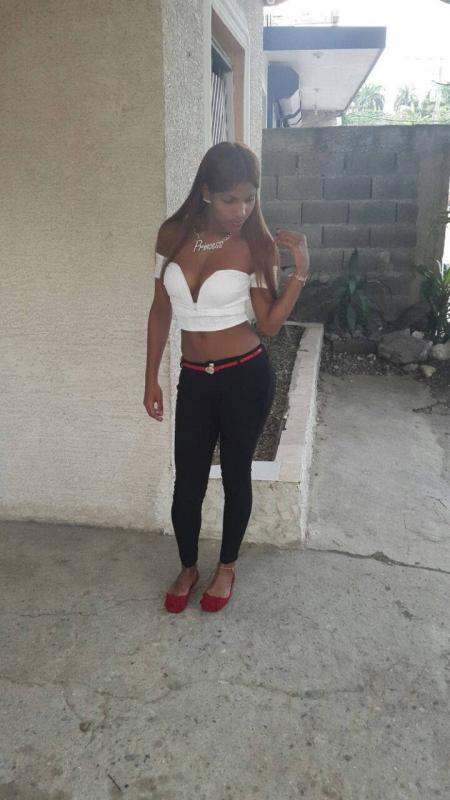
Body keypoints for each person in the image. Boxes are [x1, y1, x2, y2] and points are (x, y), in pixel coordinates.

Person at [143, 141, 310, 613]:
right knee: (187, 485)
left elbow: (270, 325)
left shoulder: (255, 245)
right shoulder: (172, 234)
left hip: (245, 378)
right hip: (195, 377)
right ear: (206, 193)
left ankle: (227, 566)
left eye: (250, 199)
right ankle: (188, 566)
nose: (241, 210)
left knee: (237, 476)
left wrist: (299, 274)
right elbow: (160, 309)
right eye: (229, 200)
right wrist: (150, 377)